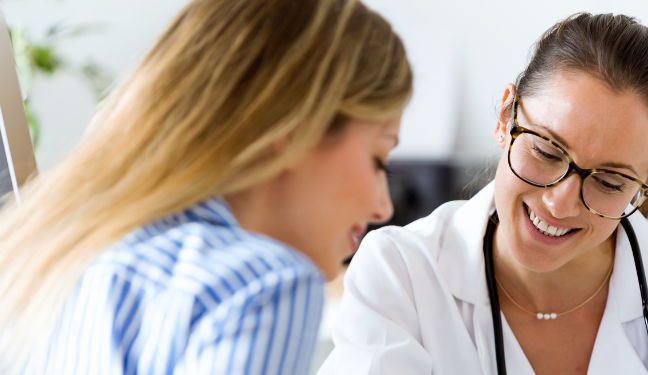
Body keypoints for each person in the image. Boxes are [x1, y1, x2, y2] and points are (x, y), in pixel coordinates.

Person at [320, 13, 648, 375]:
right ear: (506, 118)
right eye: (547, 151)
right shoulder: (401, 274)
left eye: (610, 181)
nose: (560, 202)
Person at [0, 0, 411, 373]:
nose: (383, 209)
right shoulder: (266, 285)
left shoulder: (49, 256)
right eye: (379, 161)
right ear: (294, 129)